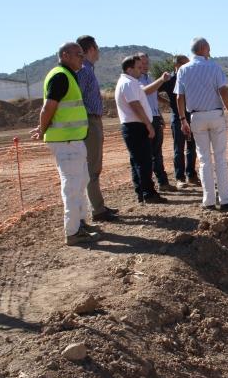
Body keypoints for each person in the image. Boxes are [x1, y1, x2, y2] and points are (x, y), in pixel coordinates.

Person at [31, 42, 99, 245]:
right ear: (65, 55)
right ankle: (73, 231)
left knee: (81, 181)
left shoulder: (68, 75)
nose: (82, 58)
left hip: (73, 140)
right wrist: (42, 129)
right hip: (66, 141)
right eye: (78, 54)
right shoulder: (61, 76)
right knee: (72, 186)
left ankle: (80, 223)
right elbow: (48, 107)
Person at [175, 37, 228, 210]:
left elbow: (180, 97)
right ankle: (225, 200)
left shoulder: (183, 70)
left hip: (196, 117)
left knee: (204, 160)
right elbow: (223, 91)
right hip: (215, 115)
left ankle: (208, 200)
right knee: (220, 158)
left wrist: (182, 119)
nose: (210, 51)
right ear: (202, 48)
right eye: (208, 48)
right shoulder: (214, 67)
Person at [115, 55, 169, 204]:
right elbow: (135, 105)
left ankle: (142, 192)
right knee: (143, 162)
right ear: (129, 69)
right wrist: (148, 124)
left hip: (135, 126)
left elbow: (144, 97)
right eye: (138, 67)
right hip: (135, 127)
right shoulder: (127, 83)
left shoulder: (131, 82)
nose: (142, 70)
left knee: (139, 161)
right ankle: (148, 194)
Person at [76, 35, 118, 222]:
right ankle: (98, 210)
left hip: (92, 120)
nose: (99, 51)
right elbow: (77, 98)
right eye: (97, 47)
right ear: (91, 49)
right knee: (92, 167)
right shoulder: (84, 71)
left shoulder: (87, 69)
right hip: (89, 121)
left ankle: (98, 206)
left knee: (94, 166)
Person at [159, 55, 199, 189]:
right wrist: (168, 102)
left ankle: (191, 175)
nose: (188, 66)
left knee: (192, 147)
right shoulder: (169, 79)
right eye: (185, 63)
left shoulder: (190, 77)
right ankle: (179, 178)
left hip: (191, 117)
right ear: (177, 65)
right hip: (177, 119)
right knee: (179, 148)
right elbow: (153, 92)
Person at [137, 52, 175, 192]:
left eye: (147, 62)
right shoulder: (135, 80)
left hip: (155, 117)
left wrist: (164, 109)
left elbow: (154, 97)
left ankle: (163, 182)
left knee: (157, 153)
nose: (145, 65)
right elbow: (145, 92)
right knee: (146, 154)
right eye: (142, 63)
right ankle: (146, 187)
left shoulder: (150, 78)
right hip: (144, 120)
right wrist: (161, 80)